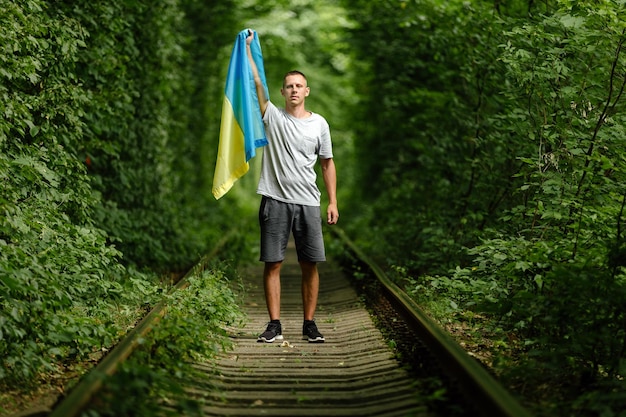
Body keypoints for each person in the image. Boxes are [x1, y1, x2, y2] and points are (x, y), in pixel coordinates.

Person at [245, 29, 339, 343]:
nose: (294, 90)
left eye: (299, 85)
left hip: (309, 202)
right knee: (273, 262)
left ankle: (309, 324)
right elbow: (256, 83)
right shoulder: (272, 116)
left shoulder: (319, 124)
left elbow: (327, 162)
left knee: (309, 263)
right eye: (289, 86)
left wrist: (332, 201)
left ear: (307, 91)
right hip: (274, 200)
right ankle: (274, 324)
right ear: (283, 93)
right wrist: (247, 49)